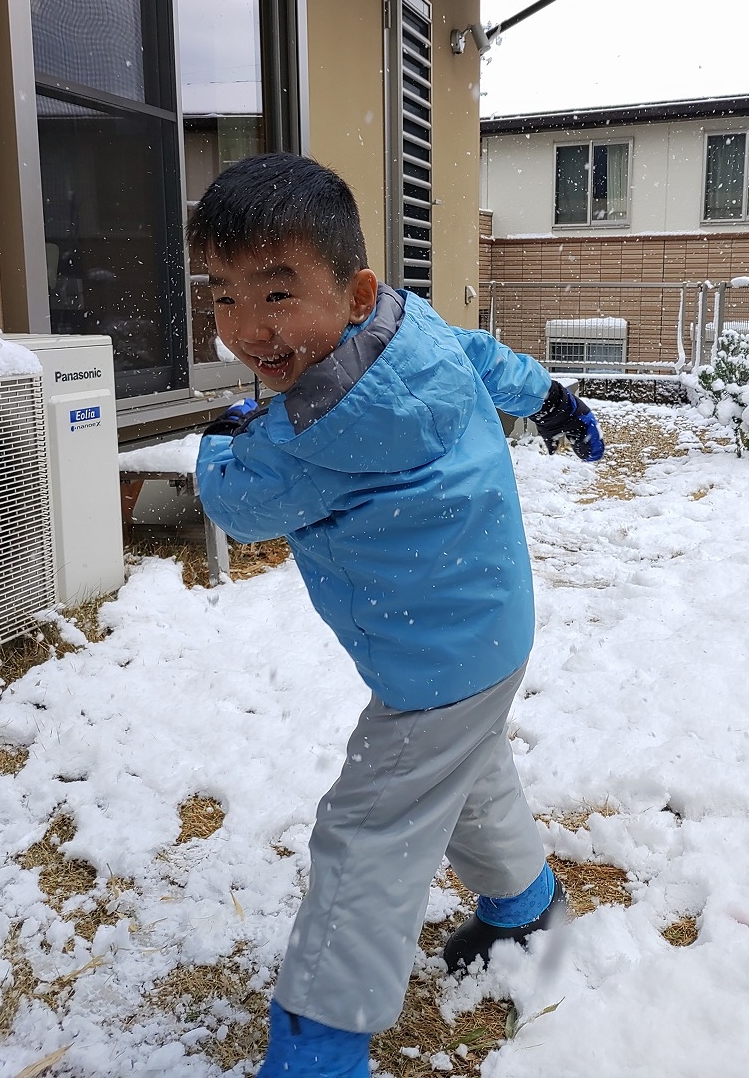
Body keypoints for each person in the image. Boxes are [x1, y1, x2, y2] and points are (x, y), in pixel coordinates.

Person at [190, 153, 604, 1078]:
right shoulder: (412, 327)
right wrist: (553, 400)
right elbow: (490, 359)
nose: (249, 329)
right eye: (222, 297)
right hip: (488, 630)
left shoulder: (306, 435)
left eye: (277, 293)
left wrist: (225, 437)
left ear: (354, 289)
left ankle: (321, 1050)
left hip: (427, 664)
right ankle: (526, 908)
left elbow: (237, 504)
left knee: (370, 831)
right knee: (469, 772)